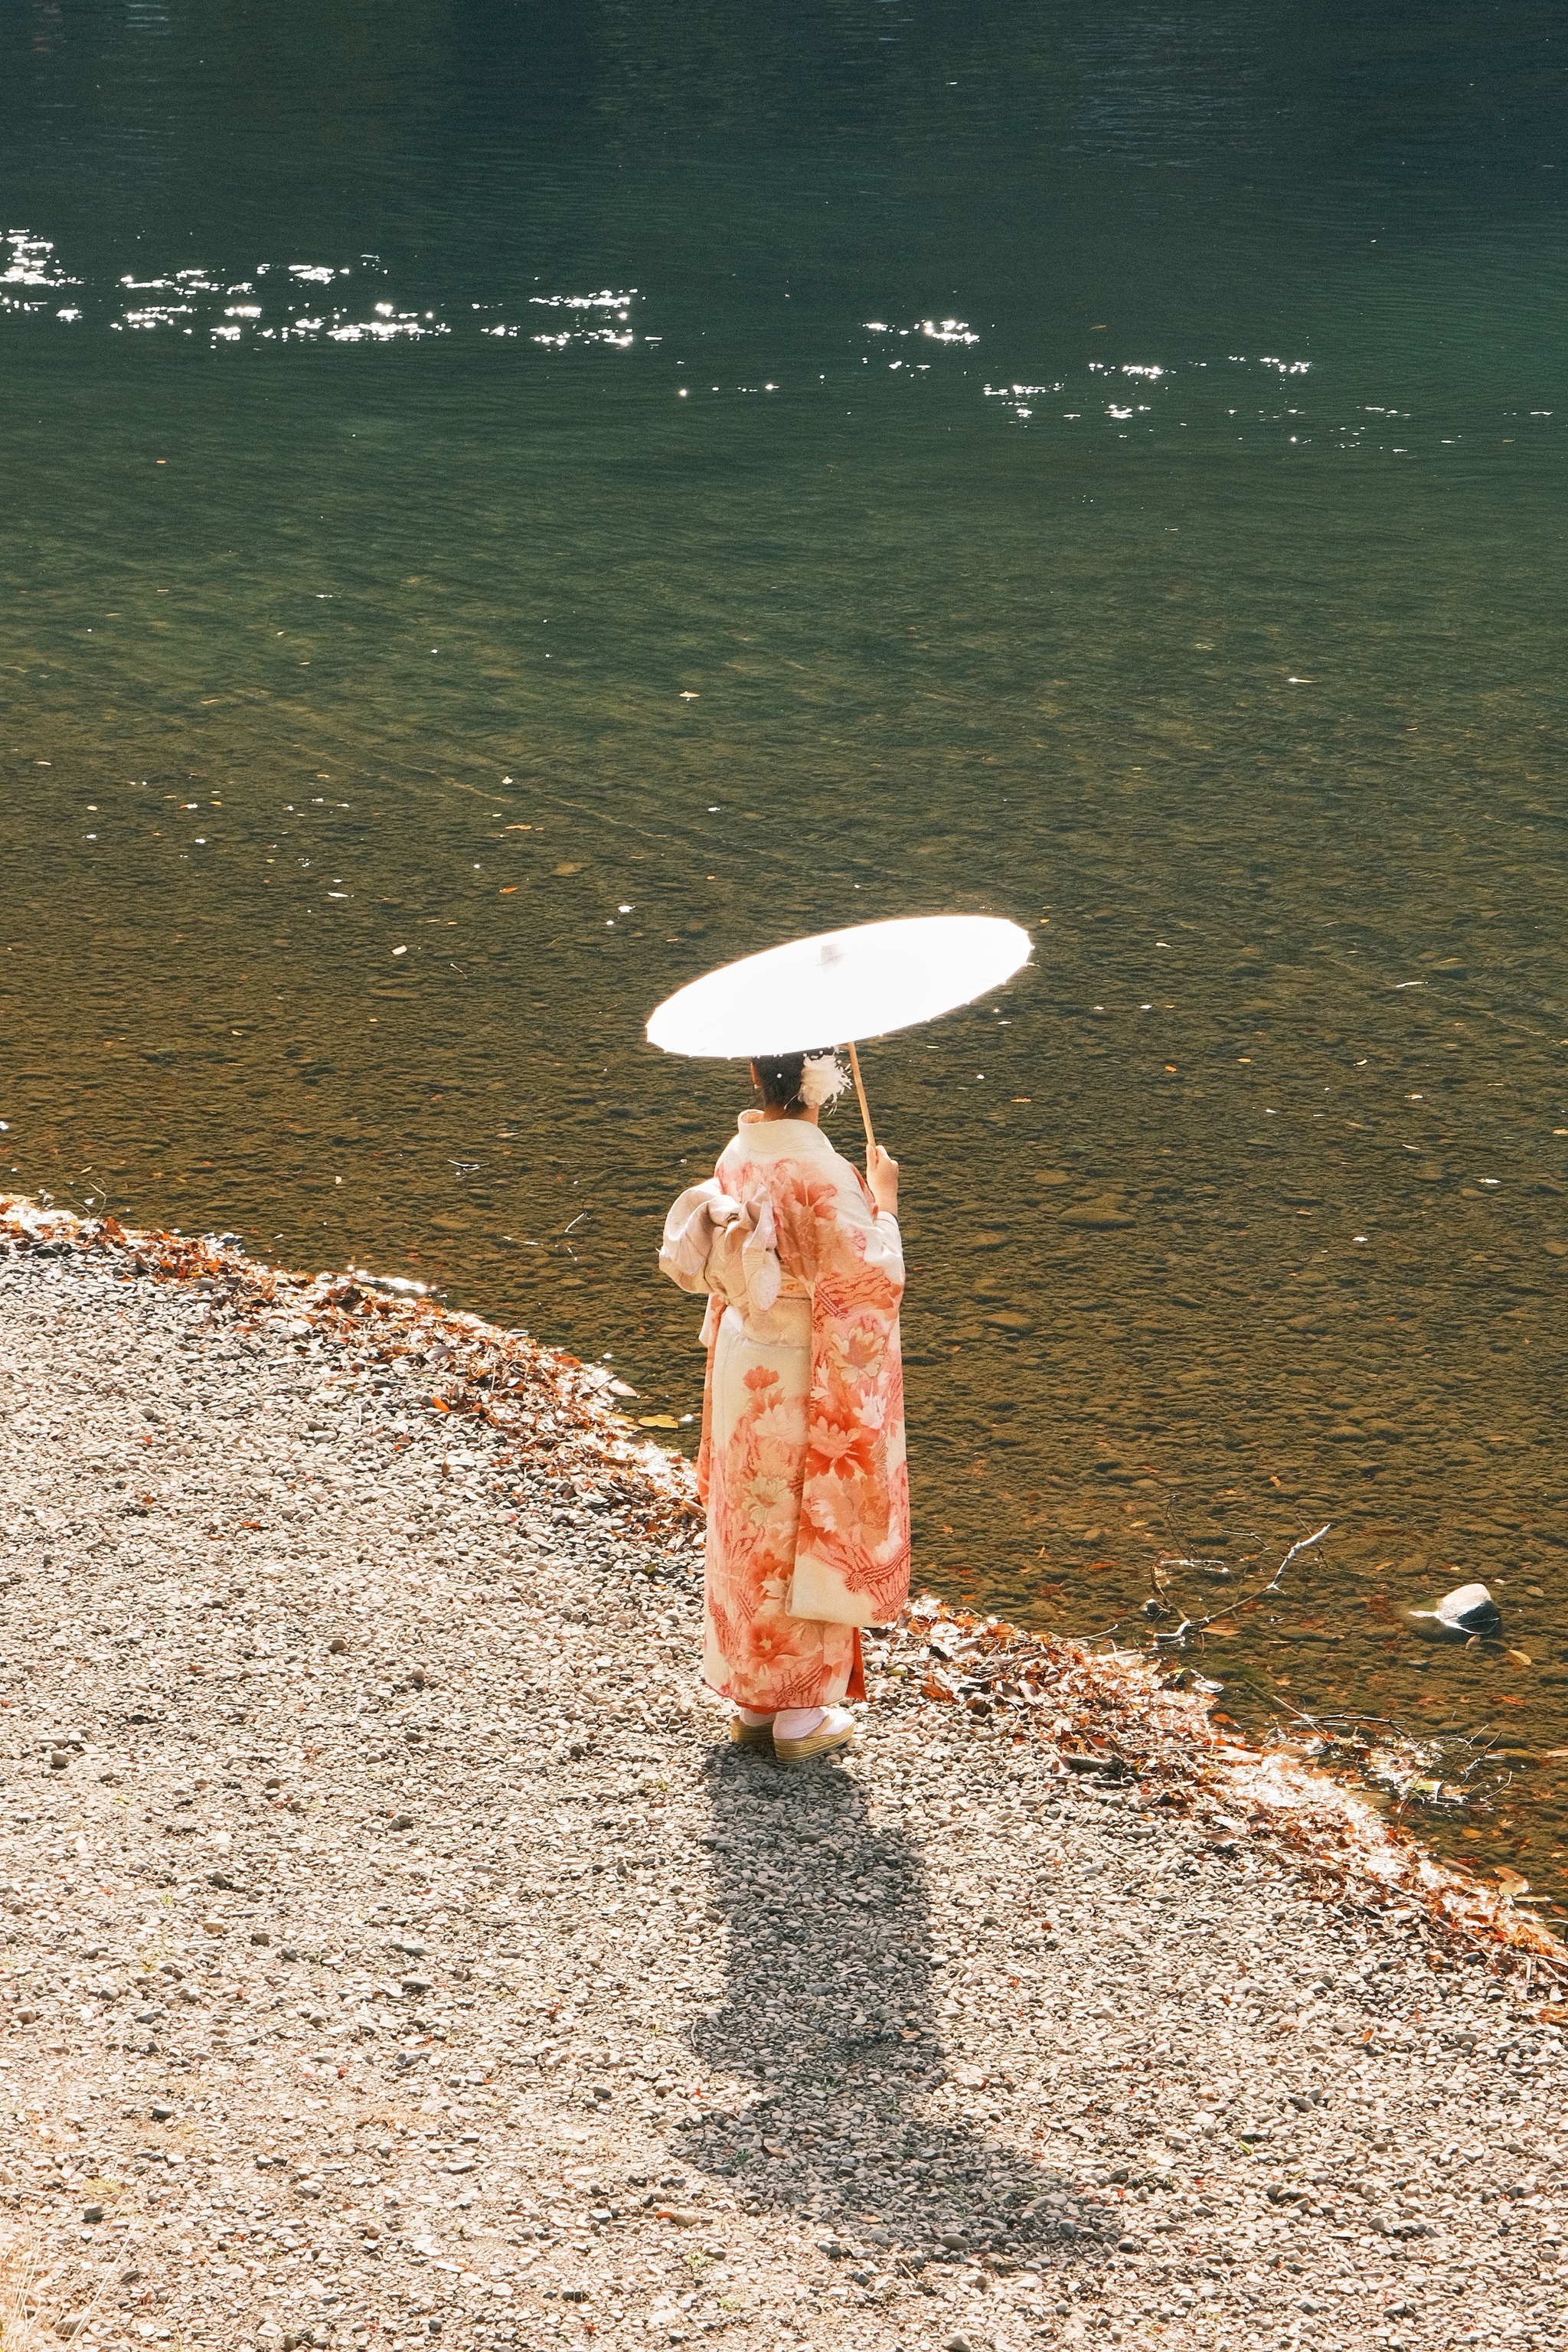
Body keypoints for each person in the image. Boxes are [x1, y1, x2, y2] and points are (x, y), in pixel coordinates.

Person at [661, 1048, 909, 1762]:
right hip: (804, 1362)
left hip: (746, 1354)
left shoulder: (741, 1149)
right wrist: (884, 1200)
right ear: (822, 1086)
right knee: (804, 1514)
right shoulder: (822, 1170)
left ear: (756, 1079)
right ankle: (800, 1714)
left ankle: (751, 1699)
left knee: (749, 1520)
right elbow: (868, 1279)